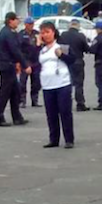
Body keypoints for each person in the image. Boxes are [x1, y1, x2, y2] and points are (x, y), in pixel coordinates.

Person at [39, 21, 76, 149]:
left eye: (47, 32)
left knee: (65, 112)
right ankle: (53, 139)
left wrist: (61, 55)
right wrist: (37, 45)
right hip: (47, 85)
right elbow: (33, 60)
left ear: (53, 33)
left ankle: (69, 139)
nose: (45, 35)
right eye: (43, 33)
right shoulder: (42, 49)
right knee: (51, 113)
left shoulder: (61, 46)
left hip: (62, 84)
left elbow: (72, 60)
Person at [0, 12, 31, 127]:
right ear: (10, 20)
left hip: (10, 64)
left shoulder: (8, 32)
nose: (18, 22)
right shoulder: (7, 33)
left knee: (16, 91)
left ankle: (17, 116)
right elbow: (15, 50)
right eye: (16, 20)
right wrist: (25, 65)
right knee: (5, 92)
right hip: (7, 65)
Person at [58, 19, 91, 111]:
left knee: (65, 83)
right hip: (78, 61)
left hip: (66, 61)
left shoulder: (63, 35)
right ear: (78, 26)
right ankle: (80, 104)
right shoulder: (81, 36)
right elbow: (87, 49)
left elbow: (60, 47)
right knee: (78, 84)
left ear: (69, 25)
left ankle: (64, 103)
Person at [18, 17, 42, 108]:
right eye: (29, 24)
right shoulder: (21, 34)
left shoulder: (36, 33)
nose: (31, 25)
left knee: (36, 82)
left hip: (36, 60)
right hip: (25, 60)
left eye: (32, 24)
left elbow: (41, 45)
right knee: (22, 82)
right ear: (25, 24)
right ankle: (22, 100)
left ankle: (34, 100)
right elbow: (18, 48)